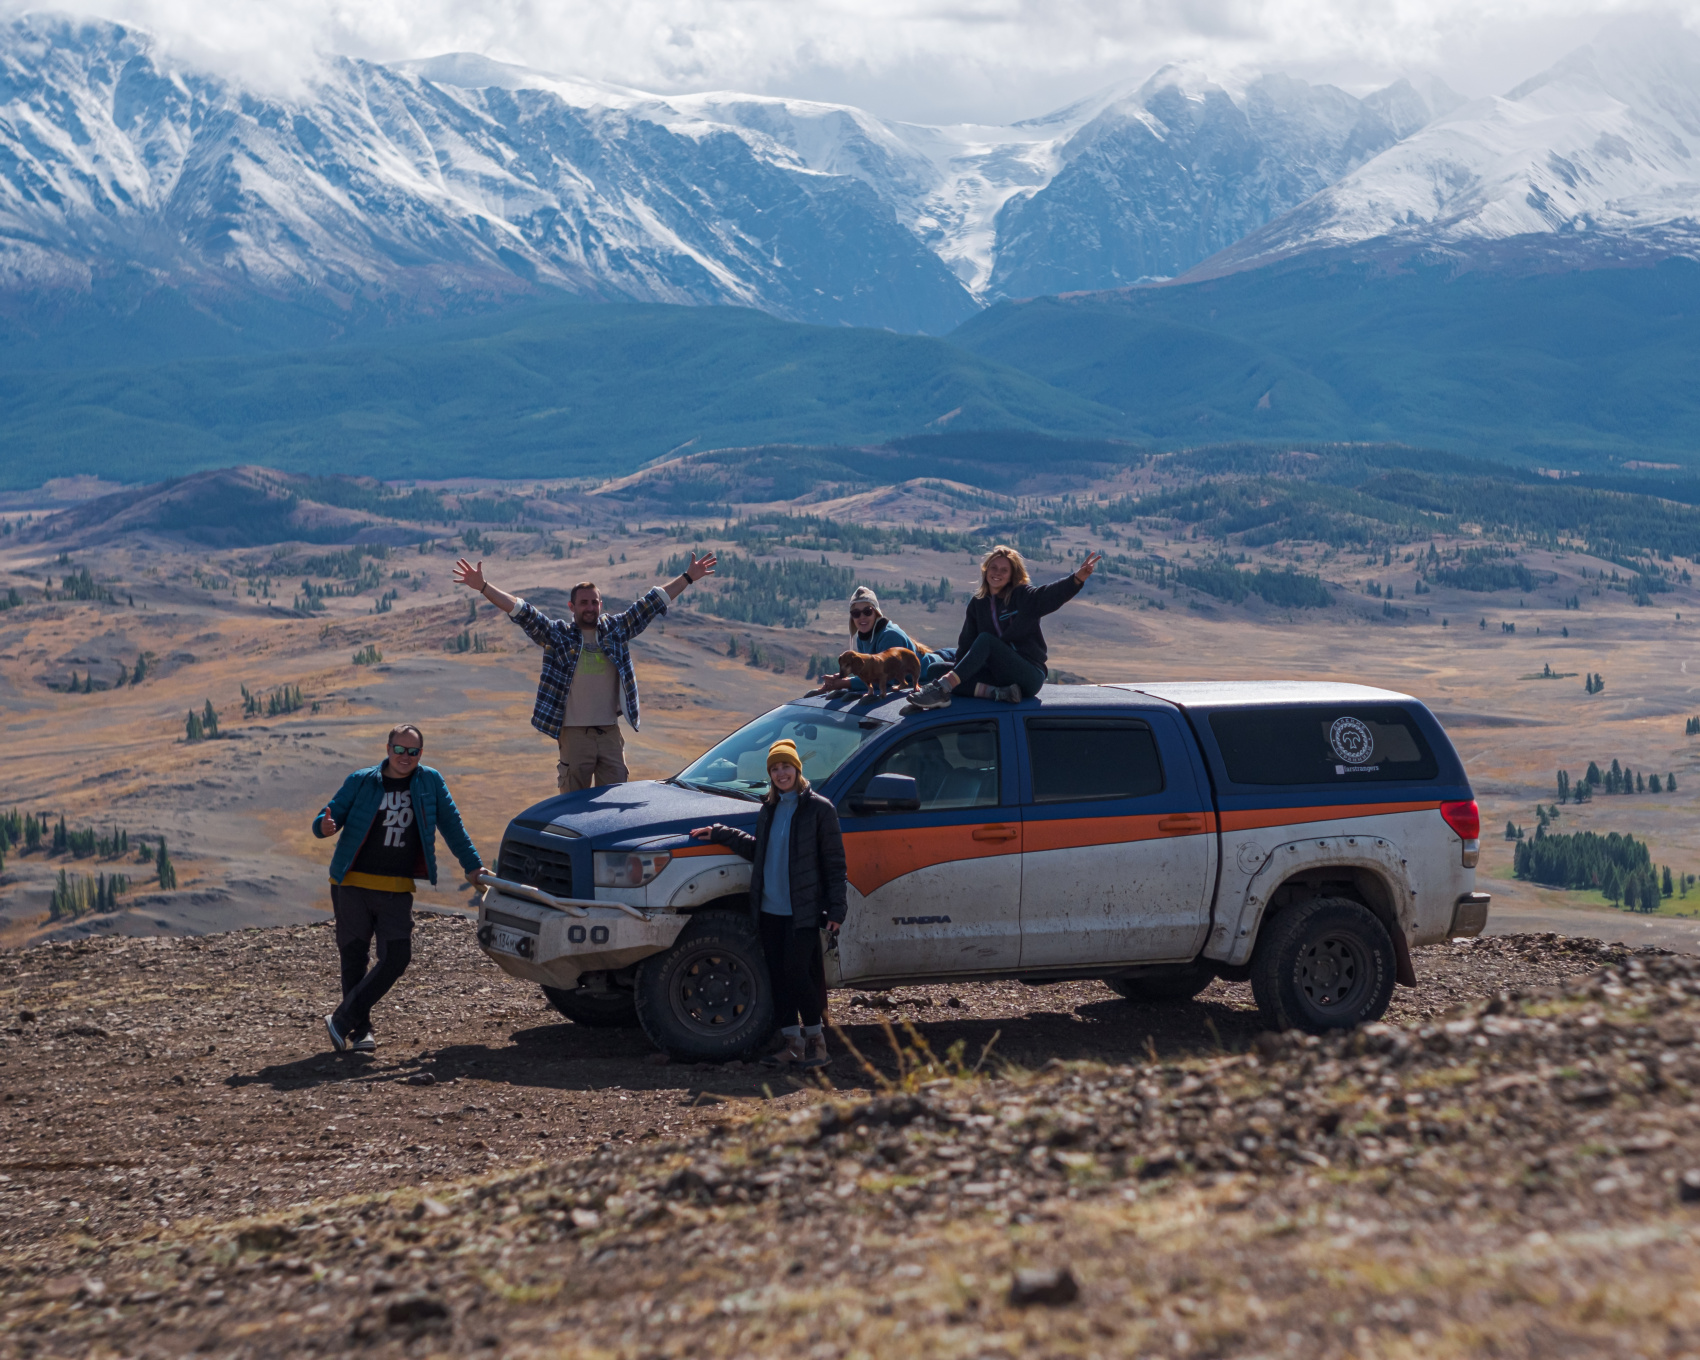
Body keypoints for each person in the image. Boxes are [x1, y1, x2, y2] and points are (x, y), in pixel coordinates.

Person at [453, 552, 716, 792]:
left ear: (601, 604)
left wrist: (688, 578)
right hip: (574, 734)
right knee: (572, 804)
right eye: (583, 603)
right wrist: (484, 587)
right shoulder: (558, 635)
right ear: (572, 607)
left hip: (610, 732)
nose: (589, 607)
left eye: (594, 602)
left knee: (615, 799)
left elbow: (651, 603)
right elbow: (521, 611)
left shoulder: (616, 630)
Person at [313, 725, 485, 1053]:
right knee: (353, 958)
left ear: (421, 754)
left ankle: (341, 1020)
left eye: (413, 751)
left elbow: (452, 824)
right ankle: (359, 1031)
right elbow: (329, 813)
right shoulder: (362, 780)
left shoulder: (430, 781)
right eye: (399, 750)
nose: (405, 757)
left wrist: (472, 864)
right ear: (388, 748)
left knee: (397, 957)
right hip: (351, 883)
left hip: (396, 887)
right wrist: (322, 826)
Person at [688, 739, 847, 1069]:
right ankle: (792, 1045)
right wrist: (720, 833)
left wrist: (837, 908)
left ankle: (817, 1044)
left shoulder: (820, 809)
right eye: (774, 769)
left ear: (797, 769)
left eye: (785, 766)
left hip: (802, 911)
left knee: (798, 974)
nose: (780, 773)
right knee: (777, 975)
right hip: (770, 910)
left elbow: (834, 863)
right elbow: (760, 850)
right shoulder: (770, 808)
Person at [910, 545, 1102, 709]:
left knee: (986, 641)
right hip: (999, 676)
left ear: (1012, 575)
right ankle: (1000, 694)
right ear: (985, 570)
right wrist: (960, 673)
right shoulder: (978, 604)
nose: (997, 573)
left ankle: (942, 690)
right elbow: (966, 645)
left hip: (1028, 674)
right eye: (993, 568)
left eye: (1004, 570)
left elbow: (1049, 595)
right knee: (936, 670)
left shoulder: (1023, 596)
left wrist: (1076, 579)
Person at [810, 586, 922, 695]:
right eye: (856, 613)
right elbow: (869, 672)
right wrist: (838, 677)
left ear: (876, 613)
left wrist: (842, 683)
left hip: (926, 676)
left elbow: (886, 679)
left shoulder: (890, 636)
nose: (862, 617)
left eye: (867, 611)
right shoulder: (862, 637)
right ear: (852, 617)